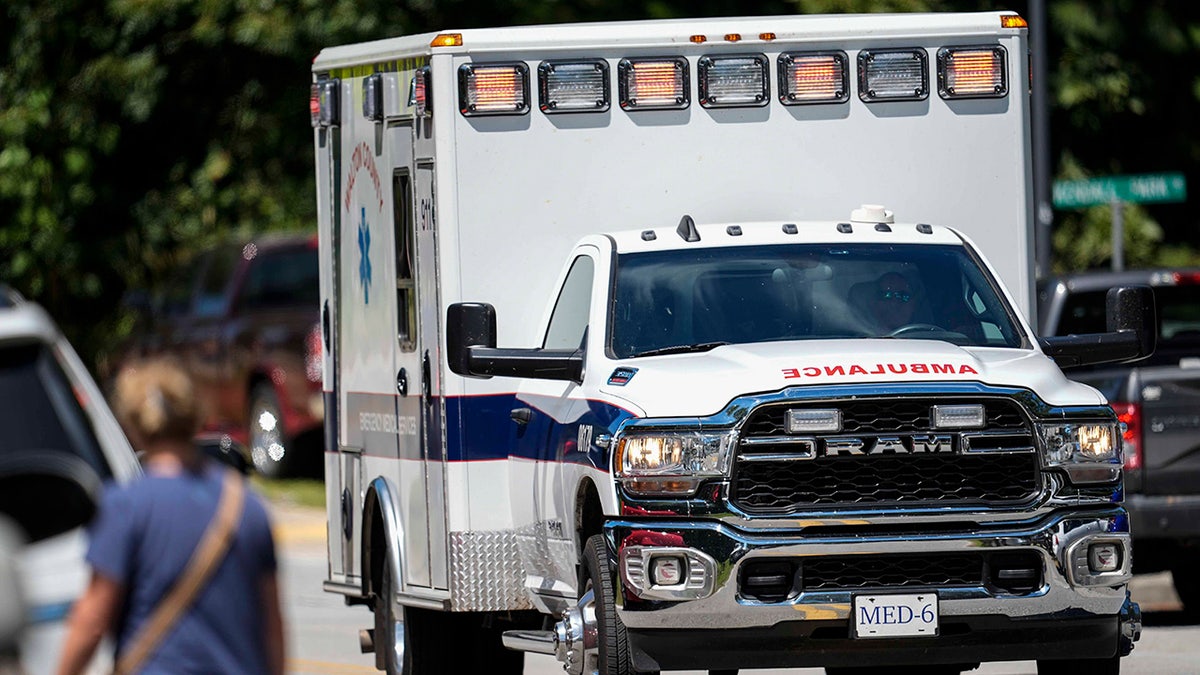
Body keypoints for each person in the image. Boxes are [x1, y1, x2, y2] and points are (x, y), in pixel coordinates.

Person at [56, 357, 284, 675]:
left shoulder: (125, 507)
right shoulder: (248, 506)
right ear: (194, 417)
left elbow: (92, 621)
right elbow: (272, 627)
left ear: (133, 425)